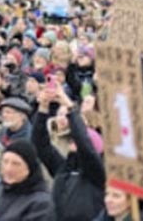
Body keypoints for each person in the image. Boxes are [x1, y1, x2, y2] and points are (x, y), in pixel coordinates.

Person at [32, 83, 104, 221]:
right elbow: (40, 144)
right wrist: (43, 107)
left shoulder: (97, 173)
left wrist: (69, 105)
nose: (73, 141)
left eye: (75, 140)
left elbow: (85, 146)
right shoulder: (63, 167)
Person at [0, 140, 55, 220]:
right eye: (5, 162)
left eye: (16, 164)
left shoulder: (41, 203)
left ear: (29, 169)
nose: (8, 169)